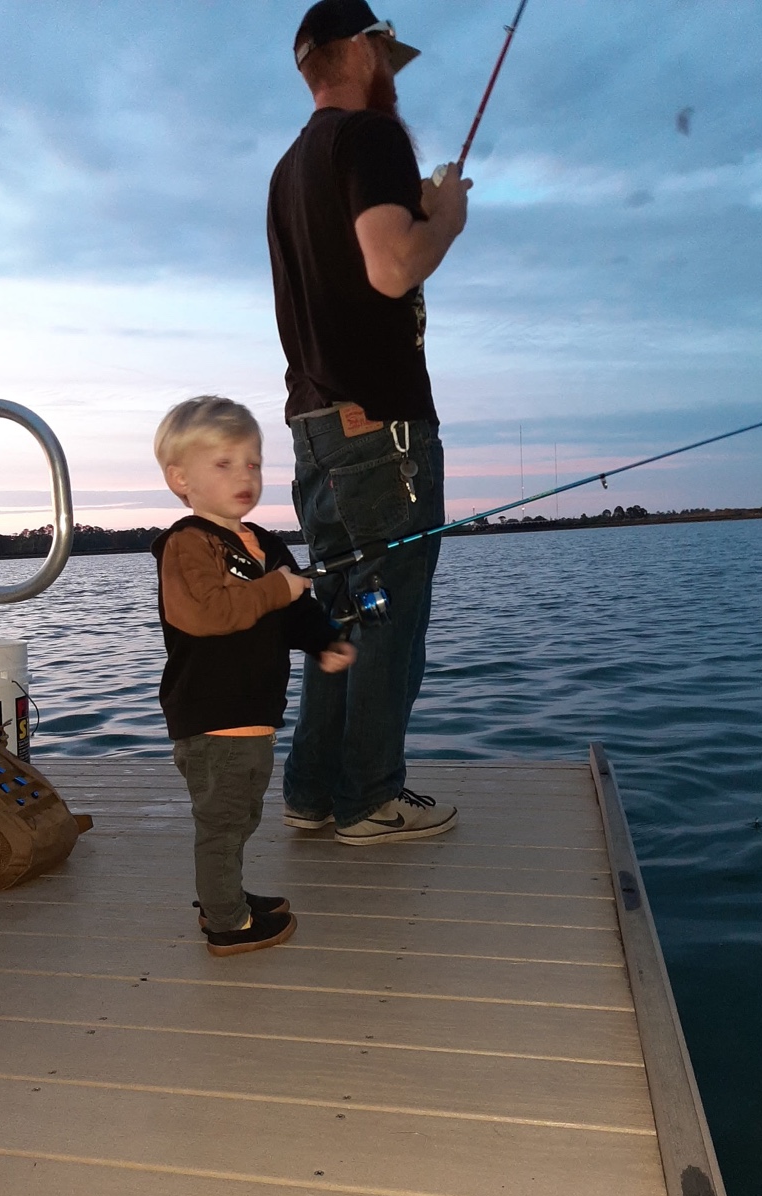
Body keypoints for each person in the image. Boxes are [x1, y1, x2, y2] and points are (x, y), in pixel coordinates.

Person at [267, 0, 472, 846]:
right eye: (385, 55)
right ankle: (368, 799)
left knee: (343, 609)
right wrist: (444, 219)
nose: (391, 75)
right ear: (359, 51)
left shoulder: (288, 167)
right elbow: (392, 269)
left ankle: (313, 789)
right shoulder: (373, 139)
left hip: (314, 426)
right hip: (382, 431)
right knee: (389, 617)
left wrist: (411, 214)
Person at [152, 396, 355, 955]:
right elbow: (210, 613)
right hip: (211, 719)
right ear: (180, 479)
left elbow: (292, 611)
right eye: (224, 463)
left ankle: (227, 896)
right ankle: (225, 922)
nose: (244, 474)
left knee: (240, 819)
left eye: (253, 462)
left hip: (252, 717)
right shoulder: (186, 545)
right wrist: (275, 589)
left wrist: (324, 641)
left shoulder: (262, 542)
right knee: (220, 825)